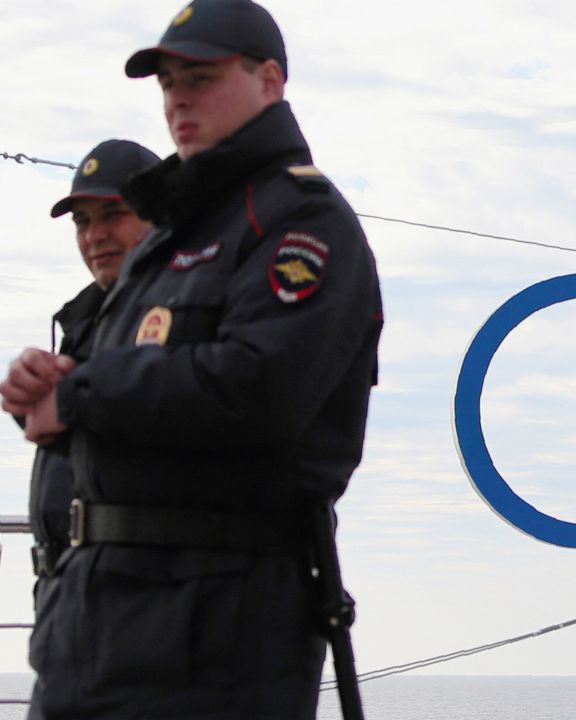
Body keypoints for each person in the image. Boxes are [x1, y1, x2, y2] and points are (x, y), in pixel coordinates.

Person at [2, 0, 383, 716]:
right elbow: (114, 384)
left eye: (201, 77)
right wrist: (48, 391)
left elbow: (261, 389)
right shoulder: (166, 240)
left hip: (214, 637)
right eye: (168, 80)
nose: (178, 96)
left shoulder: (301, 221)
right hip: (92, 626)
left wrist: (81, 394)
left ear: (269, 81)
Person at [5, 140, 159, 592]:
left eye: (113, 215)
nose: (94, 235)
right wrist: (30, 397)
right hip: (67, 590)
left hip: (132, 593)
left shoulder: (174, 312)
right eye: (83, 221)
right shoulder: (87, 321)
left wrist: (74, 397)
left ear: (160, 215)